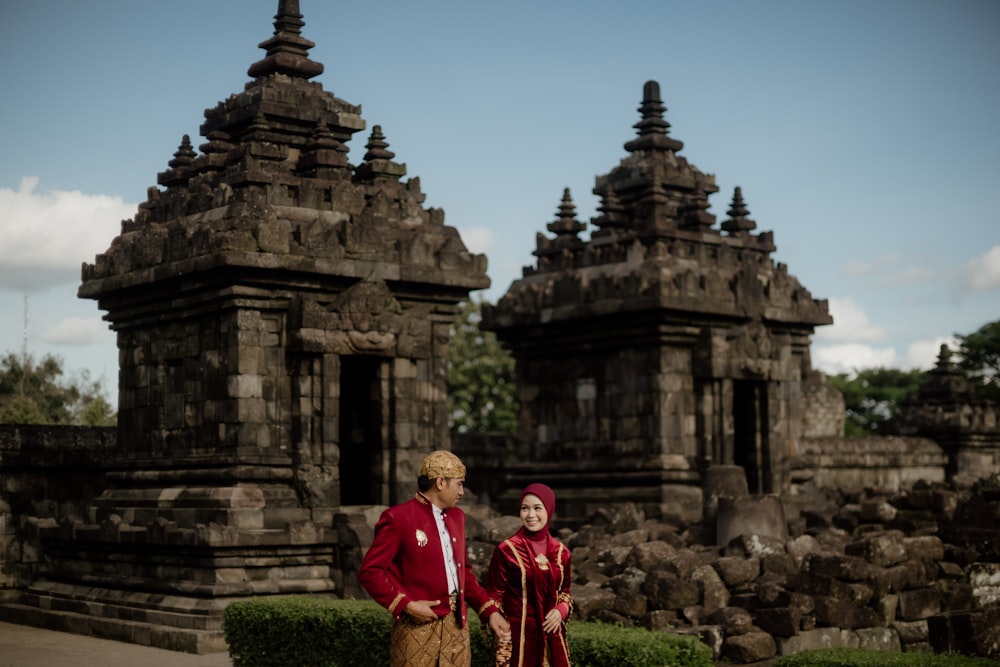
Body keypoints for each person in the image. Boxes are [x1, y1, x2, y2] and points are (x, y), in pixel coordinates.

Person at [359, 449, 511, 667]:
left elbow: (463, 574)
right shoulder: (398, 518)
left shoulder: (458, 517)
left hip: (457, 628)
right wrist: (407, 605)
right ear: (440, 482)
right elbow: (370, 572)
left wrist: (490, 611)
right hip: (416, 627)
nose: (462, 491)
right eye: (459, 484)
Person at [485, 483, 572, 667]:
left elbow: (565, 592)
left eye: (537, 508)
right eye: (525, 508)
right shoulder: (506, 550)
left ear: (549, 510)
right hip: (517, 641)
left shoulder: (561, 553)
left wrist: (561, 610)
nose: (531, 515)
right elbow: (493, 595)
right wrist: (499, 629)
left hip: (552, 641)